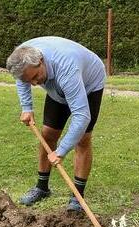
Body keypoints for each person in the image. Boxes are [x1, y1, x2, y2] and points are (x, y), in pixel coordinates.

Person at [6, 36, 106, 211]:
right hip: (57, 87)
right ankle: (42, 187)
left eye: (36, 77)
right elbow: (22, 78)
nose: (35, 83)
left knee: (83, 139)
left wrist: (61, 151)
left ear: (41, 61)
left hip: (89, 83)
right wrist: (27, 107)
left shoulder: (66, 67)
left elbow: (81, 116)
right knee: (48, 135)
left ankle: (77, 195)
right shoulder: (22, 58)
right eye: (30, 80)